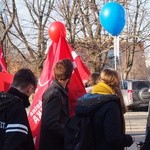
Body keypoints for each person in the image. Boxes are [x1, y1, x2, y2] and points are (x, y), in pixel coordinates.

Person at [75, 68, 134, 150]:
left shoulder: (88, 100)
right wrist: (129, 139)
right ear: (116, 84)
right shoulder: (110, 106)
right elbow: (113, 138)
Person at [39, 59, 74, 150]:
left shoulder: (59, 91)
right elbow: (50, 123)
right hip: (53, 144)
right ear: (69, 76)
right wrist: (69, 132)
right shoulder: (55, 94)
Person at [0, 68, 37, 150]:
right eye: (31, 93)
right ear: (30, 88)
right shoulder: (17, 108)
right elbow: (14, 144)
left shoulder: (2, 100)